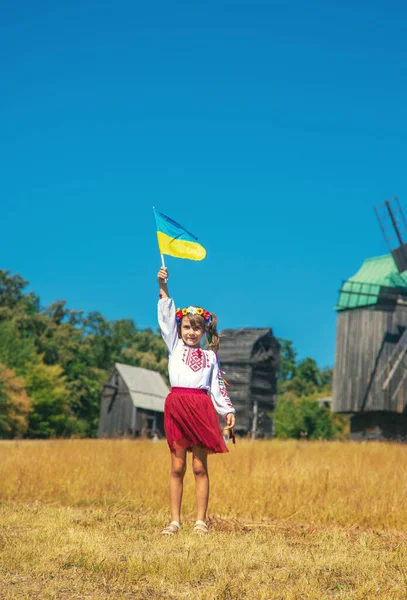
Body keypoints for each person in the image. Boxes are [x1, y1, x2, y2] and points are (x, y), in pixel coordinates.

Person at [157, 266, 236, 535]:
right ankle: (175, 521)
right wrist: (164, 286)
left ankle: (200, 521)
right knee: (177, 466)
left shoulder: (210, 357)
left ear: (204, 331)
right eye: (187, 327)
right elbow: (166, 315)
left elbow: (216, 387)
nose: (191, 332)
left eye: (197, 328)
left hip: (201, 409)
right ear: (179, 329)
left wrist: (227, 411)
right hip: (178, 406)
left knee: (199, 467)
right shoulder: (174, 346)